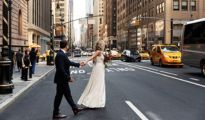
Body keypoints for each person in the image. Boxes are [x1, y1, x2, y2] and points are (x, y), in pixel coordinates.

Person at [53, 40, 84, 119]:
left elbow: (68, 62)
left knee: (66, 95)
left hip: (62, 79)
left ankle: (75, 109)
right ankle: (56, 113)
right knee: (60, 97)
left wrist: (79, 64)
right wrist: (68, 77)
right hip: (62, 79)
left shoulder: (62, 54)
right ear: (66, 46)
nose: (68, 46)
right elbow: (61, 69)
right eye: (68, 45)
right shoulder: (60, 55)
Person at [78, 40, 106, 108]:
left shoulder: (100, 52)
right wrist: (85, 62)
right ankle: (90, 101)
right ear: (101, 45)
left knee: (98, 84)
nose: (104, 45)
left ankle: (97, 101)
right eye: (103, 44)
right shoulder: (98, 51)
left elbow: (94, 61)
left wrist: (104, 63)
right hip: (98, 69)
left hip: (99, 68)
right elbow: (92, 58)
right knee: (97, 84)